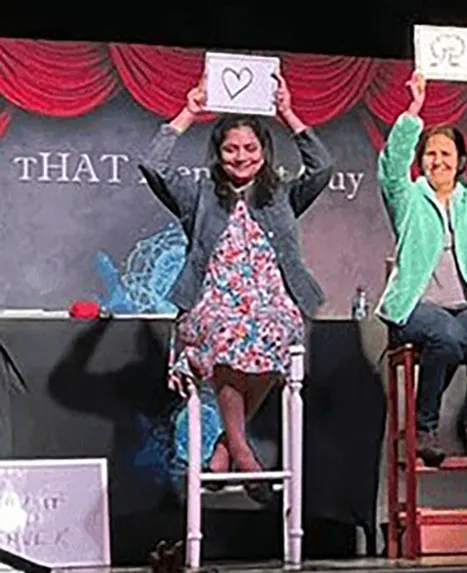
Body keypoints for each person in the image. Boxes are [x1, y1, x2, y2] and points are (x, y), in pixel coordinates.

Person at [138, 71, 332, 502]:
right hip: (211, 302)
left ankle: (228, 446)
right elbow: (153, 164)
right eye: (231, 149)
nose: (240, 157)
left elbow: (323, 167)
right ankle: (245, 455)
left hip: (270, 302)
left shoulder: (281, 195)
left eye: (249, 148)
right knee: (228, 332)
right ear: (218, 153)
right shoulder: (199, 195)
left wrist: (287, 113)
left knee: (278, 329)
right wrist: (190, 111)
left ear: (263, 152)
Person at [375, 70, 467, 467]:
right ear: (421, 161)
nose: (438, 161)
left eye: (446, 155)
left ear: (460, 163)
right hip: (419, 307)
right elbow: (391, 169)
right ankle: (425, 426)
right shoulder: (409, 199)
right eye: (430, 154)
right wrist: (414, 111)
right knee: (448, 335)